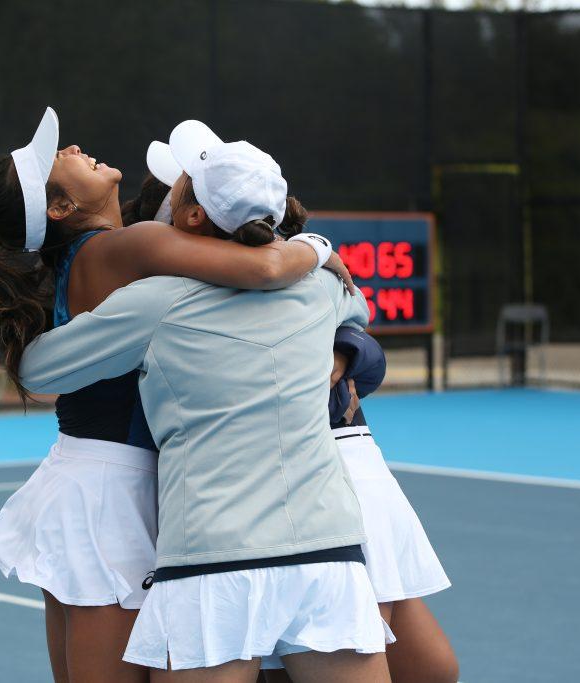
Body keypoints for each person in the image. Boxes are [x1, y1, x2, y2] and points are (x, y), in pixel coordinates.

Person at [0, 108, 355, 683]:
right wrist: (315, 249)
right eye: (54, 161)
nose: (70, 147)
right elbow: (266, 265)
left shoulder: (96, 253)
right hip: (113, 489)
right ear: (61, 208)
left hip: (91, 477)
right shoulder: (132, 245)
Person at [136, 157, 459, 683]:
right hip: (263, 504)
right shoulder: (175, 304)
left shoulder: (302, 277)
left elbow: (365, 341)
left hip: (338, 477)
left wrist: (346, 350)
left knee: (432, 669)